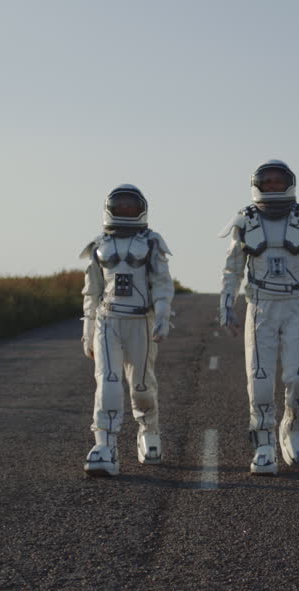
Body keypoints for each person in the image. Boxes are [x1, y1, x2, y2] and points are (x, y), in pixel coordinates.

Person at [219, 160, 299, 475]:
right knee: (260, 379)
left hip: (295, 306)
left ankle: (293, 428)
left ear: (289, 184)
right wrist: (226, 304)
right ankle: (264, 443)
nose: (271, 185)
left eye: (277, 180)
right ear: (257, 185)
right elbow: (232, 268)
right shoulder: (245, 220)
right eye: (266, 181)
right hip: (260, 307)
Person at [80, 184, 173, 477]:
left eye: (130, 206)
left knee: (141, 385)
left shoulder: (152, 243)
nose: (125, 210)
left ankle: (149, 431)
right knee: (108, 382)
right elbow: (92, 291)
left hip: (141, 321)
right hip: (108, 320)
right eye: (119, 205)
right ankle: (105, 445)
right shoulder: (99, 245)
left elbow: (162, 283)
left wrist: (162, 314)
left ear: (141, 209)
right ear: (109, 209)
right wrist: (88, 329)